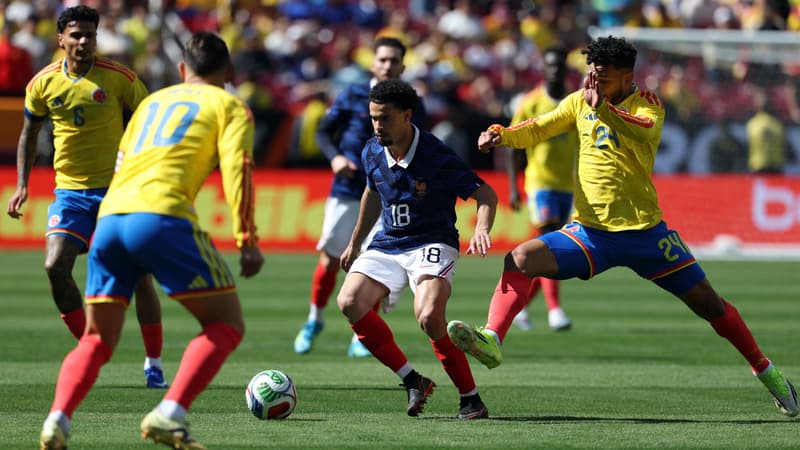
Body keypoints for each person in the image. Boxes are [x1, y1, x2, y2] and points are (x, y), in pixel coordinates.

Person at [447, 36, 798, 418]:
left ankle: (767, 372)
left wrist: (604, 109)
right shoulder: (580, 101)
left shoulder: (649, 104)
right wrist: (501, 134)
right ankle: (492, 340)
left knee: (710, 304)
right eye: (592, 75)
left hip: (646, 234)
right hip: (591, 234)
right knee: (520, 258)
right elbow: (539, 127)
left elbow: (641, 130)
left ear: (628, 77)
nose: (594, 84)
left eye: (604, 78)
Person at [38, 31, 264, 450]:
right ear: (229, 72)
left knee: (97, 339)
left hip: (110, 218)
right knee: (225, 324)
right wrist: (246, 238)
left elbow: (122, 161)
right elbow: (240, 168)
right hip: (162, 216)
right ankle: (169, 414)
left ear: (182, 69)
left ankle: (57, 419)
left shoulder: (152, 102)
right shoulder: (230, 106)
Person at [5, 5, 167, 389]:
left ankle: (154, 364)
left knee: (139, 275)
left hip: (118, 192)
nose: (83, 42)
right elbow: (29, 133)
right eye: (76, 35)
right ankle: (90, 348)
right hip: (71, 195)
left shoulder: (119, 78)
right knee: (54, 266)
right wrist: (22, 183)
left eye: (90, 35)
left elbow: (151, 119)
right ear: (61, 39)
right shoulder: (42, 83)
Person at [337, 78, 498, 419]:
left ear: (407, 115)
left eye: (385, 118)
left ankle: (470, 399)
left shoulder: (435, 154)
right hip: (388, 242)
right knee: (349, 302)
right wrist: (355, 243)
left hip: (432, 240)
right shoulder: (371, 150)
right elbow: (372, 193)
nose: (377, 125)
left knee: (429, 317)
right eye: (373, 118)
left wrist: (481, 228)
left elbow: (485, 194)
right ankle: (413, 380)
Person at [294, 36, 427, 357]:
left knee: (374, 263)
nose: (387, 65)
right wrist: (336, 158)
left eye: (394, 60)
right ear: (373, 62)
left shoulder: (411, 102)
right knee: (330, 259)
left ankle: (361, 334)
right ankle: (314, 320)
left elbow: (419, 144)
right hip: (348, 188)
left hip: (388, 195)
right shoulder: (353, 93)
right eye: (382, 59)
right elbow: (323, 131)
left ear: (403, 66)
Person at [505, 47, 577, 332]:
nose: (555, 70)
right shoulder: (531, 102)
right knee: (551, 242)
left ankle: (521, 309)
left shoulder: (575, 101)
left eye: (559, 65)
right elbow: (513, 143)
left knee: (546, 252)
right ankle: (555, 310)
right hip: (539, 183)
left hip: (567, 185)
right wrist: (513, 187)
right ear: (543, 69)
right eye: (550, 65)